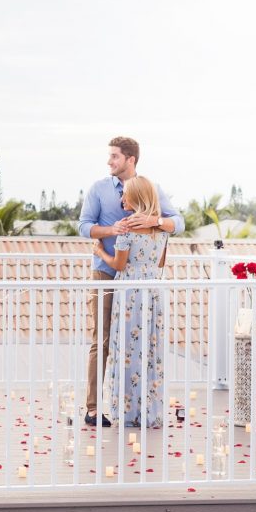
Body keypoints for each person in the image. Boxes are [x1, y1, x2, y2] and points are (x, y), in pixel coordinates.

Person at [77, 136, 183, 426]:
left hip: (136, 280)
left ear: (130, 159)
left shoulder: (151, 188)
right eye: (110, 156)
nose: (109, 161)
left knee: (137, 343)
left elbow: (178, 222)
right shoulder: (98, 189)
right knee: (104, 340)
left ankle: (132, 407)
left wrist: (155, 222)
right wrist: (112, 230)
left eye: (114, 156)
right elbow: (83, 226)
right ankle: (93, 408)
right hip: (106, 272)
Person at [93, 176, 168, 427]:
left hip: (129, 295)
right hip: (152, 292)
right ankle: (148, 410)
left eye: (125, 195)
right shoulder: (161, 232)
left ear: (135, 198)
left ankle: (126, 411)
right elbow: (160, 263)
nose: (122, 199)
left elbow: (119, 264)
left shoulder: (125, 228)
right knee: (148, 350)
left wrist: (101, 252)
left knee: (126, 350)